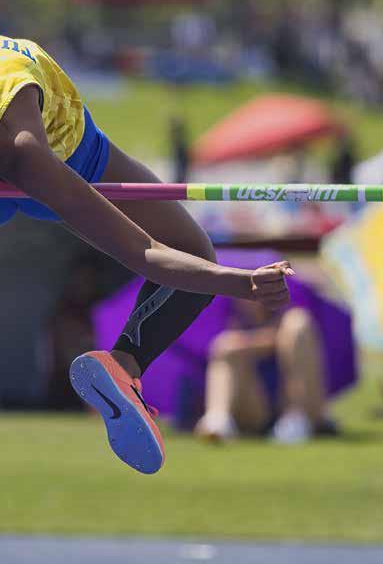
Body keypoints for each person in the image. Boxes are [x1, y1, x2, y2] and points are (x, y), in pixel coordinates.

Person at [0, 34, 292, 474]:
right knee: (194, 256)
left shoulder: (25, 141)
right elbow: (146, 251)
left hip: (72, 155)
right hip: (56, 156)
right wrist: (240, 282)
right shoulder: (23, 148)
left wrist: (237, 281)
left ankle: (123, 367)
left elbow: (144, 250)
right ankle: (123, 366)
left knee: (192, 252)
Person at [194, 301, 335, 443]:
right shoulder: (230, 318)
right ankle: (218, 419)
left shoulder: (290, 317)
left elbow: (290, 335)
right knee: (227, 346)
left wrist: (252, 344)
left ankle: (296, 418)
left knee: (298, 323)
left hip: (293, 399)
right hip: (256, 408)